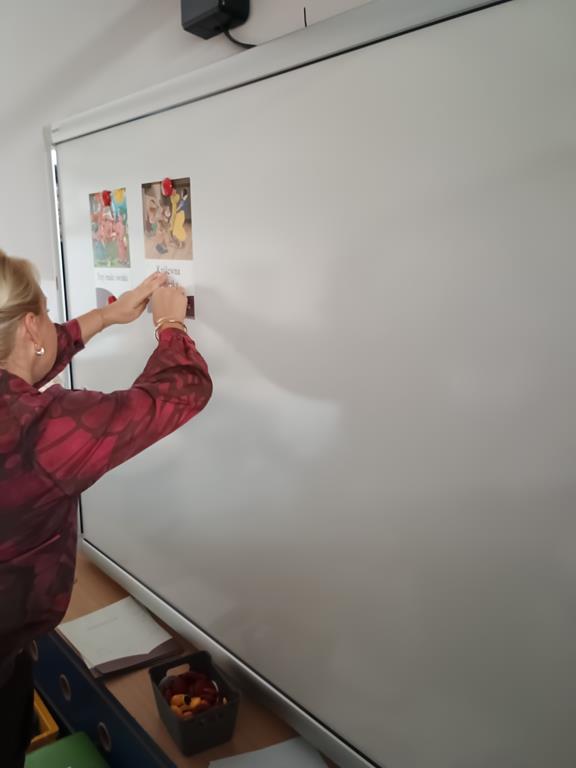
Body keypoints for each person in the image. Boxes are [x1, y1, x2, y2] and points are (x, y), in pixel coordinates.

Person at [0, 249, 212, 767]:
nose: (51, 322)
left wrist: (105, 317)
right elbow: (180, 391)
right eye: (46, 312)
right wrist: (168, 324)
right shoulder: (39, 431)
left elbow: (22, 372)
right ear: (30, 327)